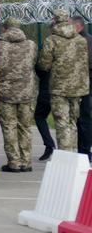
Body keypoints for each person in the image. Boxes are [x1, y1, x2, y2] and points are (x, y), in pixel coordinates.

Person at [38, 9, 90, 152]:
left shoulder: (51, 40)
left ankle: (66, 155)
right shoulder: (81, 40)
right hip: (78, 88)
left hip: (59, 88)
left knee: (62, 123)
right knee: (73, 122)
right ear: (68, 21)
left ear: (55, 20)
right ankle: (73, 154)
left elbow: (44, 65)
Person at [0, 18, 37, 172]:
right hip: (26, 93)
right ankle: (26, 162)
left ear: (4, 28)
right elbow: (33, 63)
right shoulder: (31, 45)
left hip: (6, 93)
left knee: (9, 127)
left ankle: (14, 162)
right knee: (25, 127)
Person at [72, 15, 92, 160]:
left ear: (79, 26)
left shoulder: (84, 41)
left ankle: (84, 150)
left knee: (84, 118)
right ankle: (84, 149)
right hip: (84, 84)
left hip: (85, 85)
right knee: (83, 118)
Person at [34, 66, 56, 161]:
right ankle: (82, 151)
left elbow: (41, 68)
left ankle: (49, 145)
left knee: (39, 116)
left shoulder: (48, 50)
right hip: (69, 90)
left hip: (48, 88)